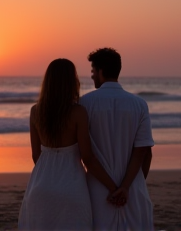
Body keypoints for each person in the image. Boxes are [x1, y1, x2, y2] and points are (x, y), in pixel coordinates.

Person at [18, 58, 117, 231]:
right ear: (72, 81)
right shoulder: (78, 112)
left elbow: (36, 155)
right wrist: (113, 187)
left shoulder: (36, 111)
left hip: (40, 186)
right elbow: (88, 158)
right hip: (71, 187)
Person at [80, 48, 154, 231]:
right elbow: (143, 152)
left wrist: (113, 188)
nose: (91, 76)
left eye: (93, 71)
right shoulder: (139, 104)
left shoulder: (84, 104)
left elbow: (86, 155)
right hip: (132, 187)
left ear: (101, 71)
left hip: (97, 188)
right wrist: (127, 187)